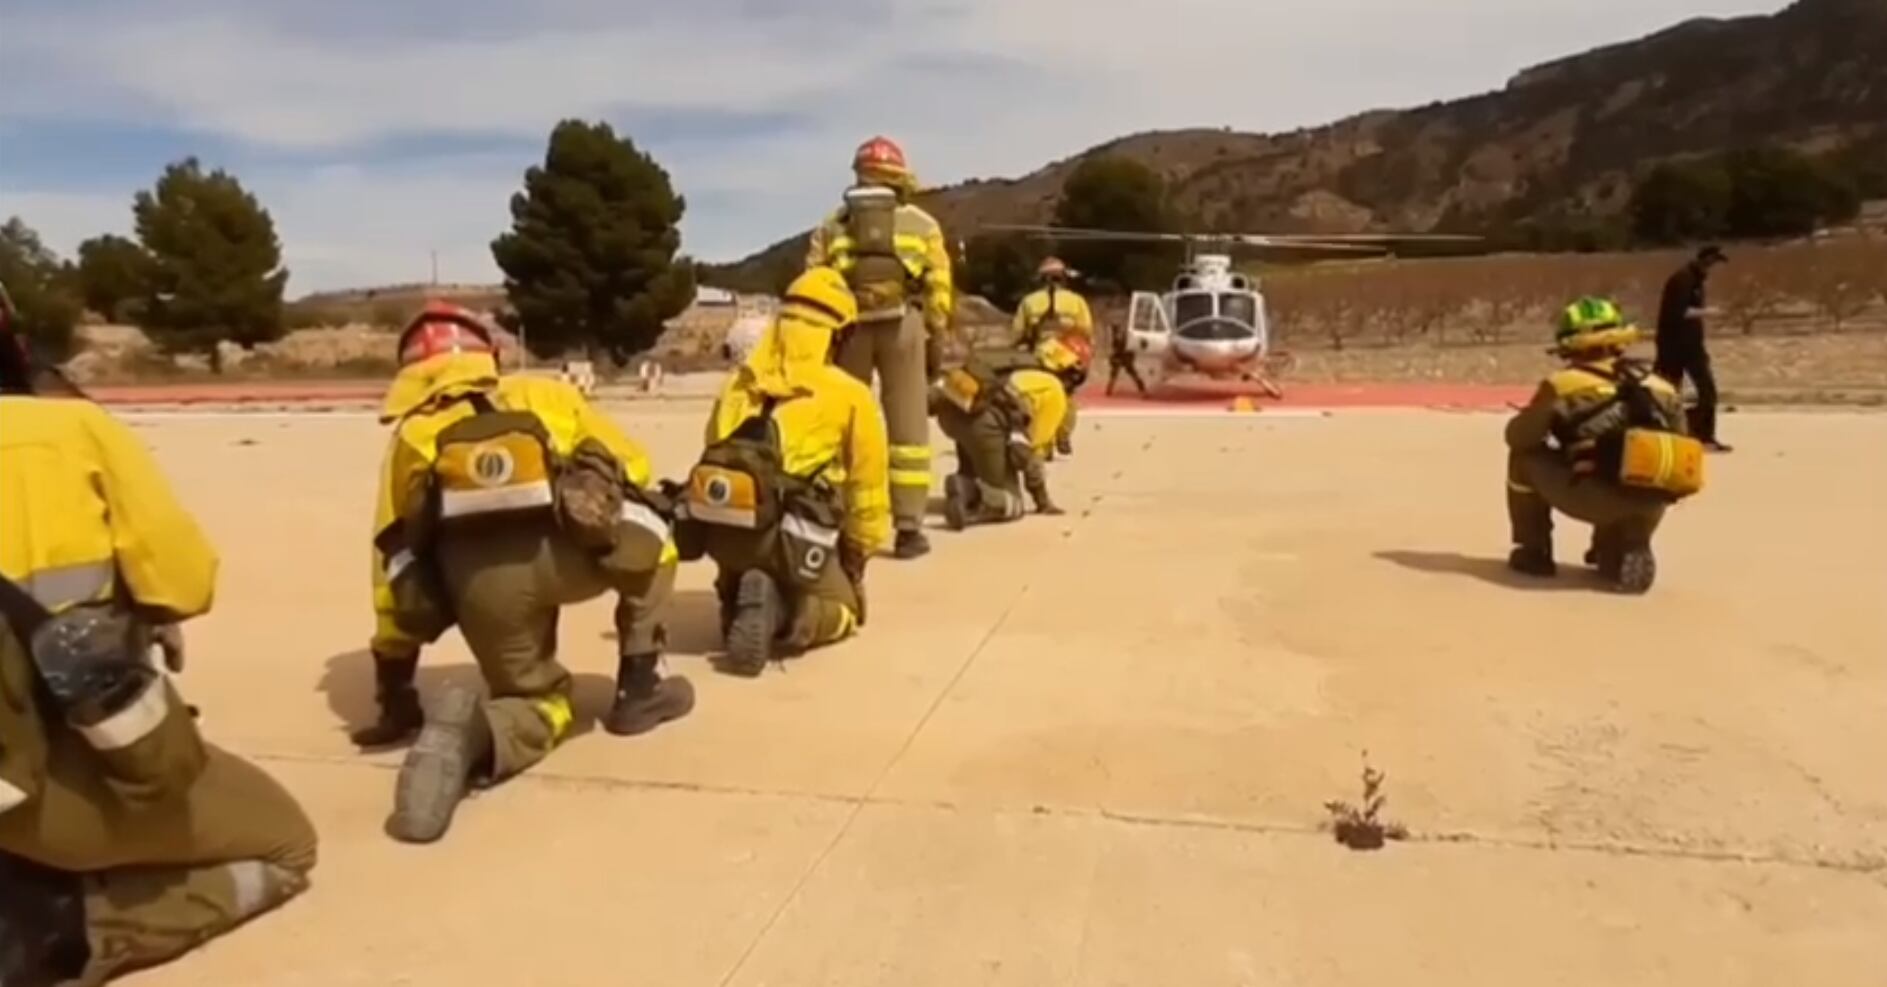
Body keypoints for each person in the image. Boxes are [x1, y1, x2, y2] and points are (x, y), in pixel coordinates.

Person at [0, 295, 316, 987]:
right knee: (286, 844)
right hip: (39, 775)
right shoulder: (70, 429)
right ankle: (55, 930)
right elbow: (184, 581)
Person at [366, 302, 693, 844]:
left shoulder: (413, 435)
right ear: (487, 353)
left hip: (479, 586)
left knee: (536, 703)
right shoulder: (546, 394)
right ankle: (640, 687)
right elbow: (631, 465)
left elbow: (391, 558)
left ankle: (475, 734)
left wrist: (394, 679)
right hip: (571, 558)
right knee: (657, 539)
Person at [678, 268, 891, 675]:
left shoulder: (737, 385)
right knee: (846, 611)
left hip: (722, 534)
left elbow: (712, 450)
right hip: (792, 540)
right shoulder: (849, 395)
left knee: (744, 556)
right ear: (838, 334)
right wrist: (859, 551)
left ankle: (735, 592)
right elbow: (868, 486)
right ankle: (791, 615)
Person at [805, 136, 954, 560]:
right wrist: (934, 333)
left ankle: (838, 518)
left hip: (849, 327)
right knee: (908, 429)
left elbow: (813, 282)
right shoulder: (922, 225)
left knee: (842, 424)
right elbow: (939, 289)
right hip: (903, 326)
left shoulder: (832, 225)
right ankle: (908, 529)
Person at [1505, 298, 1703, 594]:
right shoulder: (1659, 384)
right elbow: (1682, 440)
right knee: (1625, 462)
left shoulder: (1563, 384)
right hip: (1653, 499)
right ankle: (1626, 544)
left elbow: (1520, 437)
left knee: (1524, 459)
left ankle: (1534, 551)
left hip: (1593, 494)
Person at [932, 349, 1069, 530]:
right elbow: (1028, 454)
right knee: (1010, 503)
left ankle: (966, 481)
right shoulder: (1055, 395)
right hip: (982, 425)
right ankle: (969, 499)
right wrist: (1042, 501)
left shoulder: (1022, 366)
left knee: (981, 454)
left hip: (951, 413)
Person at [1010, 257, 1094, 456]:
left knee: (1041, 397)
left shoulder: (1028, 302)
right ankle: (1063, 435)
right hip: (1067, 357)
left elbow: (1017, 332)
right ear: (1063, 277)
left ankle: (1045, 444)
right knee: (1067, 396)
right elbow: (1087, 331)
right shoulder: (1076, 301)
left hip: (1040, 355)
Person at [1655, 245, 1731, 452]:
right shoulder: (1682, 279)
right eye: (1712, 263)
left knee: (1707, 392)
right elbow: (1677, 312)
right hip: (1673, 345)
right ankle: (1667, 434)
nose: (1713, 269)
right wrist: (1708, 312)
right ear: (1704, 260)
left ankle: (1703, 435)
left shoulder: (1697, 280)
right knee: (1666, 392)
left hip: (1693, 345)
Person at [1105, 322, 1149, 396]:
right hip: (1120, 357)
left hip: (1125, 357)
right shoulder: (1116, 338)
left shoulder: (1125, 337)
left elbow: (1129, 348)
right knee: (1114, 374)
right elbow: (1115, 349)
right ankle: (1109, 389)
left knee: (1133, 374)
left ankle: (1143, 391)